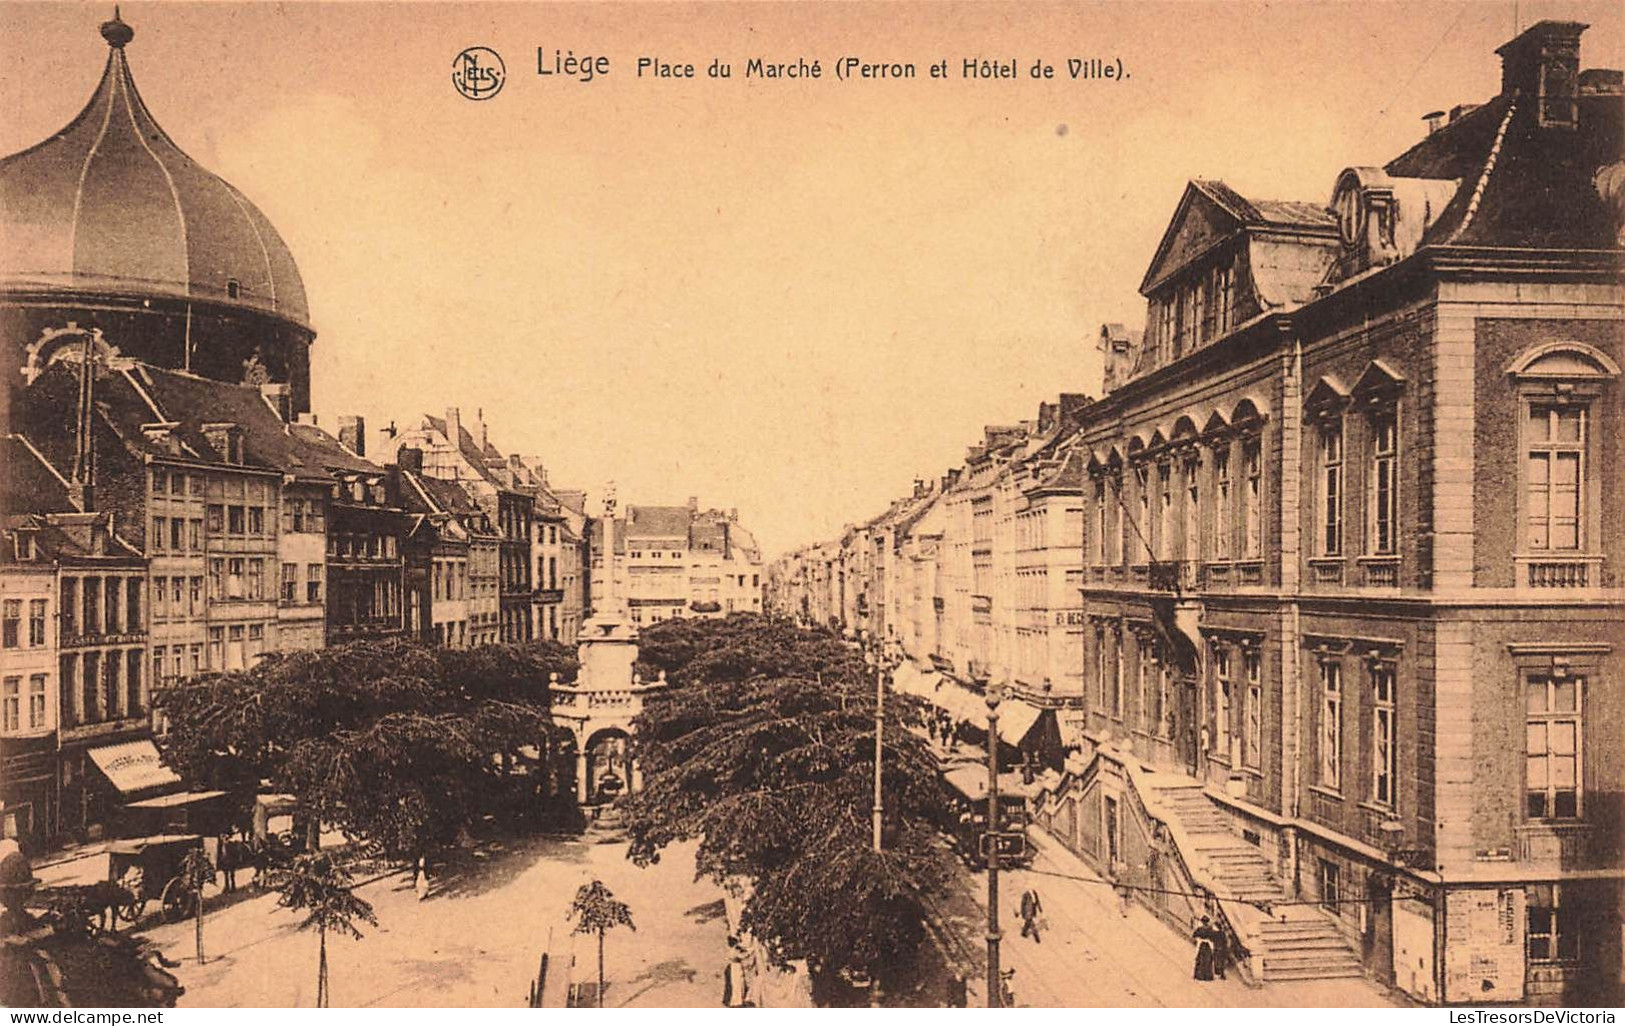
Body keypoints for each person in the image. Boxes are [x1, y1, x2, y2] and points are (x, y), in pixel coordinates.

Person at [1192, 915, 1221, 981]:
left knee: (1200, 959)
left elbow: (1194, 934)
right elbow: (1214, 937)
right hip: (1208, 945)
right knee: (1208, 960)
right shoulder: (1210, 929)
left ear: (1202, 922)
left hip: (1202, 944)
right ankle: (1207, 976)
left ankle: (1199, 975)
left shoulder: (1200, 928)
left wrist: (1199, 938)